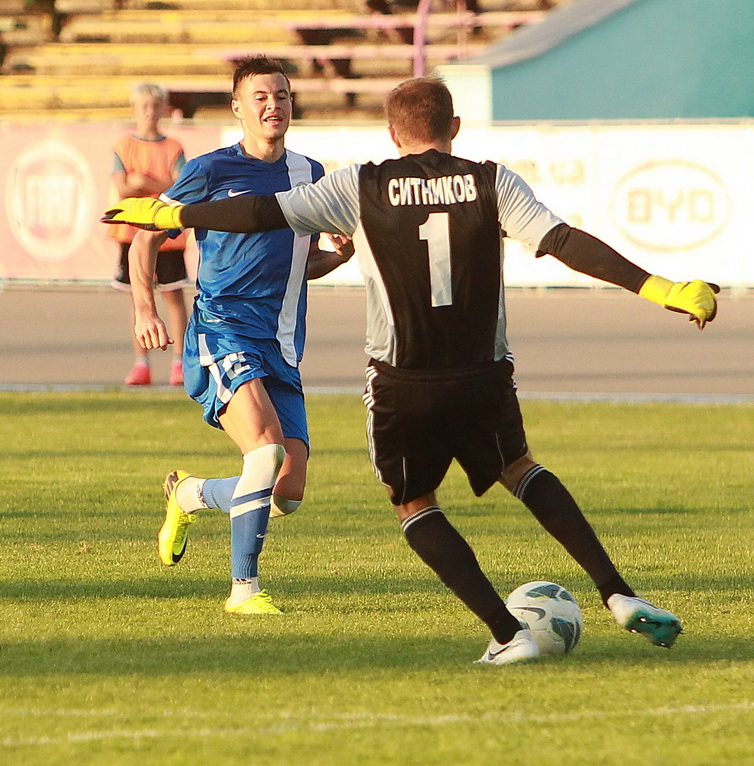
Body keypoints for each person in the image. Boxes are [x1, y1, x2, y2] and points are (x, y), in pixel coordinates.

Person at [104, 77, 719, 662]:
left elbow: (261, 213)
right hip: (483, 372)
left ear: (393, 134)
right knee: (521, 470)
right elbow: (563, 241)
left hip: (402, 379)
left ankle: (508, 635)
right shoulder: (491, 181)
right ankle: (618, 593)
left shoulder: (361, 185)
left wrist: (172, 217)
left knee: (415, 503)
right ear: (456, 126)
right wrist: (660, 287)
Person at [126, 57, 353, 615]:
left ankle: (190, 494)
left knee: (286, 493)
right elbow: (145, 237)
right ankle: (243, 590)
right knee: (265, 449)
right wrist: (144, 309)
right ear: (237, 108)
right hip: (222, 329)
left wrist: (337, 258)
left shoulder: (310, 174)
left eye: (282, 95)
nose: (274, 105)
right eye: (261, 97)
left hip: (282, 344)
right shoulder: (210, 171)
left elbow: (299, 266)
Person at [109, 82, 190, 387]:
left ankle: (179, 361)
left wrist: (144, 183)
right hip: (132, 232)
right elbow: (122, 186)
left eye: (155, 106)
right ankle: (141, 362)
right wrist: (158, 184)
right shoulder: (123, 146)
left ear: (164, 109)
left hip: (166, 231)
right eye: (144, 106)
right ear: (134, 110)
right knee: (138, 298)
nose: (149, 112)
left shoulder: (173, 147)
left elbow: (181, 185)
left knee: (173, 296)